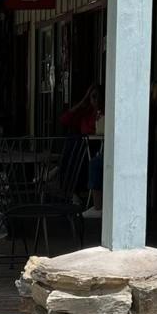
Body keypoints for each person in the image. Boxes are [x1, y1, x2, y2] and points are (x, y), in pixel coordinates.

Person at [61, 83, 104, 219]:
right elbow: (64, 119)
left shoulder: (104, 113)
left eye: (98, 97)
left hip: (96, 146)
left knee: (75, 143)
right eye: (93, 97)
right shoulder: (87, 113)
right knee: (72, 140)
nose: (95, 100)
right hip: (84, 147)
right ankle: (71, 189)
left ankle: (59, 174)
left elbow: (98, 130)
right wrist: (83, 101)